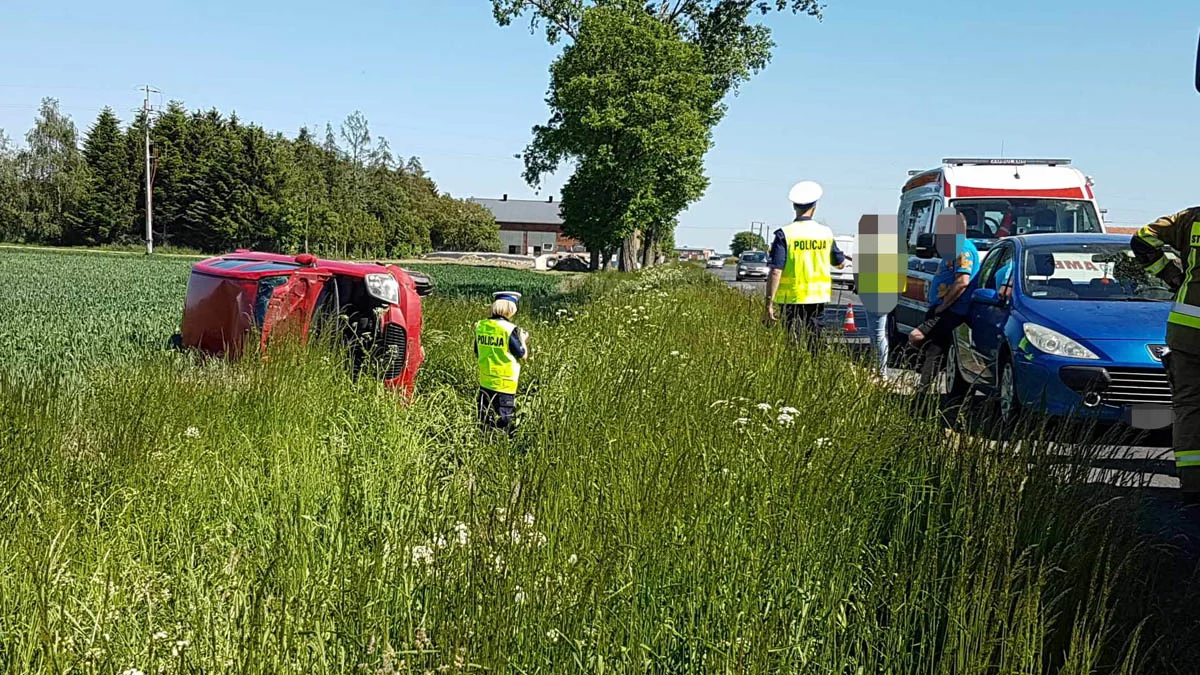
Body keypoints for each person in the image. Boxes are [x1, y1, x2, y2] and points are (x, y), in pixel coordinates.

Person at [1131, 207, 1200, 502]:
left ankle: (1193, 485)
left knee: (1190, 407)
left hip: (1186, 330)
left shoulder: (1190, 218)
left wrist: (1174, 277)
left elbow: (1143, 239)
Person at [764, 181, 847, 344]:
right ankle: (814, 367)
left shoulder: (785, 234)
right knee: (815, 340)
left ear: (794, 206)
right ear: (815, 207)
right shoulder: (825, 233)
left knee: (790, 340)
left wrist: (768, 304)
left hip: (791, 298)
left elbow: (776, 271)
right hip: (817, 297)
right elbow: (840, 263)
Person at [908, 218, 980, 391]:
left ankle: (924, 384)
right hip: (944, 308)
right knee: (935, 349)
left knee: (916, 336)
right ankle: (923, 390)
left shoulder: (963, 249)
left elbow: (962, 281)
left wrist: (943, 306)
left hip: (951, 310)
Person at [474, 291, 529, 434]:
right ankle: (501, 447)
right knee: (503, 420)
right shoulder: (509, 329)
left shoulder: (481, 326)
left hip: (485, 380)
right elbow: (522, 354)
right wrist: (523, 339)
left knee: (484, 419)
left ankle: (483, 444)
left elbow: (477, 351)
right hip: (504, 383)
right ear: (510, 309)